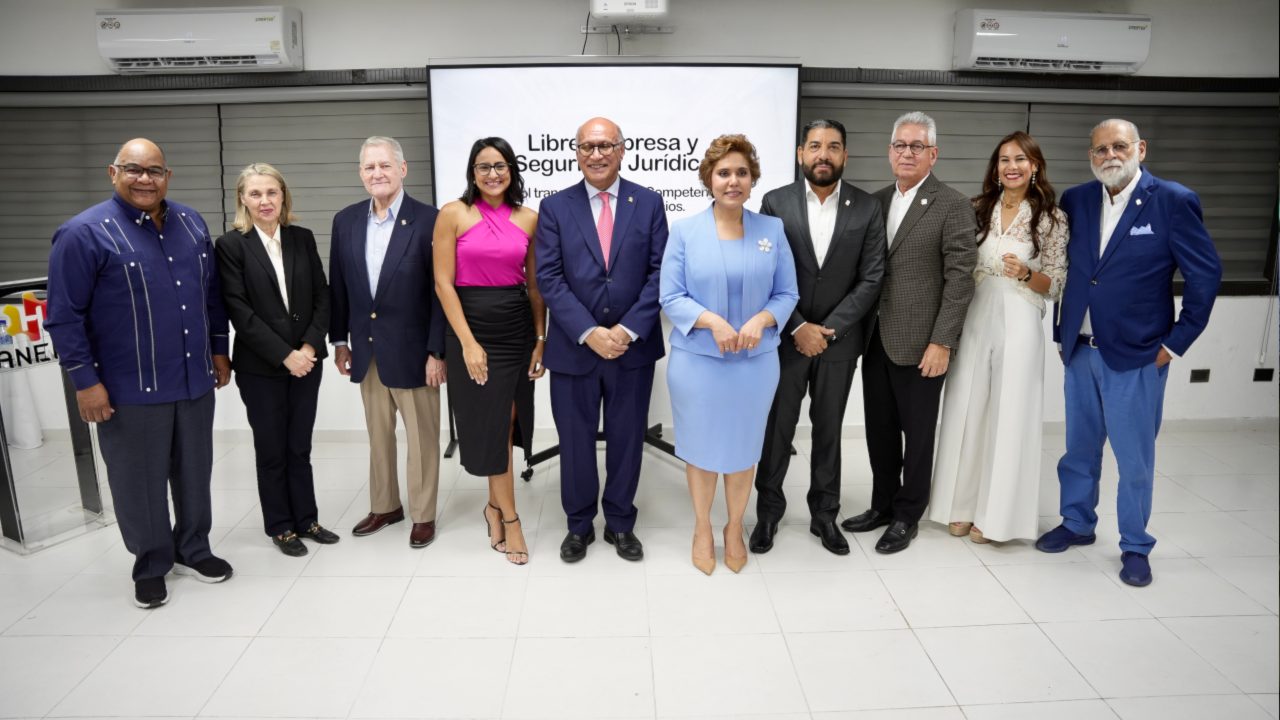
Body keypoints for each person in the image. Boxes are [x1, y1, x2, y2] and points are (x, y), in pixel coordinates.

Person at [46, 138, 234, 609]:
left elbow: (210, 294)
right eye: (133, 169)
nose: (144, 179)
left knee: (194, 472)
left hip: (193, 380)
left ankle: (194, 549)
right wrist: (85, 382)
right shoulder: (83, 234)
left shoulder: (191, 223)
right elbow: (64, 317)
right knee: (139, 481)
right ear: (114, 173)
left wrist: (218, 349)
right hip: (130, 389)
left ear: (167, 176)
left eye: (154, 170)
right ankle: (151, 563)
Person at [1038, 119, 1221, 587]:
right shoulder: (1077, 200)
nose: (1109, 156)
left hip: (1139, 354)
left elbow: (1205, 277)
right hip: (1079, 349)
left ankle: (1135, 545)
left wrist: (1174, 344)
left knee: (1134, 459)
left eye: (1119, 146)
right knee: (1078, 449)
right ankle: (1077, 523)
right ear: (1090, 156)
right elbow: (1073, 269)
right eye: (1099, 149)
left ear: (1140, 149)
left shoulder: (1173, 201)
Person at [660, 134, 799, 575]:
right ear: (709, 179)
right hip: (698, 364)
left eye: (741, 172)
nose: (733, 181)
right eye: (724, 173)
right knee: (700, 451)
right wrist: (712, 321)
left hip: (755, 366)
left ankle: (734, 526)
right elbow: (670, 296)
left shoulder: (771, 231)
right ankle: (702, 527)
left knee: (742, 451)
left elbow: (787, 292)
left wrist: (762, 319)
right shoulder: (683, 232)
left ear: (752, 179)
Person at [841, 112, 977, 555]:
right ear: (889, 151)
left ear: (933, 154)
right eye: (900, 145)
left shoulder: (952, 204)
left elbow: (960, 278)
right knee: (879, 429)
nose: (907, 153)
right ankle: (882, 504)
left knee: (917, 435)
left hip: (923, 344)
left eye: (917, 146)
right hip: (874, 338)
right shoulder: (874, 201)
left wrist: (943, 341)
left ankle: (907, 513)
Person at [535, 117, 668, 563]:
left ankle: (620, 523)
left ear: (621, 150)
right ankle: (578, 526)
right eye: (588, 146)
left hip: (632, 349)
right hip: (575, 349)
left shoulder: (648, 203)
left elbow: (660, 273)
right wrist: (590, 332)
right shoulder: (555, 207)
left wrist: (626, 330)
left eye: (605, 145)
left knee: (628, 438)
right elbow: (549, 278)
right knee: (574, 442)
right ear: (576, 152)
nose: (596, 154)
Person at [752, 119, 885, 556]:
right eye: (814, 146)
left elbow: (871, 277)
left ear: (845, 155)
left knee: (829, 431)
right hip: (787, 337)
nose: (823, 154)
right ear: (800, 154)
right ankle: (768, 512)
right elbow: (765, 274)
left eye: (833, 147)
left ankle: (824, 514)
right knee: (778, 428)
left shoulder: (866, 207)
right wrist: (798, 326)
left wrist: (829, 329)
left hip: (839, 341)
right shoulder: (775, 202)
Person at [929, 132, 1067, 544]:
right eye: (1004, 159)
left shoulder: (1052, 218)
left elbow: (1056, 284)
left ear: (1035, 165)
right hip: (975, 312)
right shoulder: (974, 209)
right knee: (966, 407)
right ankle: (960, 506)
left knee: (1010, 413)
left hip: (1021, 316)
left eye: (1020, 159)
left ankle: (997, 515)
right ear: (995, 167)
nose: (1011, 166)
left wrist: (1026, 273)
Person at [215, 163, 340, 557]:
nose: (265, 201)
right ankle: (281, 526)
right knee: (271, 449)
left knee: (299, 446)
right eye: (256, 194)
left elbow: (323, 296)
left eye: (272, 192)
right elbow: (239, 310)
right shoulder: (231, 245)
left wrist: (308, 348)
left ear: (283, 196)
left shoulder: (301, 239)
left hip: (306, 362)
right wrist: (284, 355)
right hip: (261, 368)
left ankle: (307, 519)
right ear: (243, 199)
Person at [329, 136, 446, 549]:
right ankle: (386, 506)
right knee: (379, 435)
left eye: (383, 165)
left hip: (416, 353)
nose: (376, 173)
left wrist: (437, 351)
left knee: (422, 438)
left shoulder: (431, 220)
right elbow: (339, 287)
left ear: (402, 169)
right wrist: (340, 341)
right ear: (361, 174)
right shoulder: (345, 221)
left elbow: (440, 291)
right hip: (367, 349)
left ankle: (423, 513)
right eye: (368, 167)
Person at [434, 138, 546, 565]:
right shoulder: (453, 214)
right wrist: (467, 343)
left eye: (500, 166)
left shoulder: (529, 218)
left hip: (516, 329)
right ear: (472, 172)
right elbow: (443, 283)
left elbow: (535, 287)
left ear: (512, 170)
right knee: (492, 428)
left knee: (508, 423)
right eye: (483, 167)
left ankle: (494, 507)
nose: (492, 174)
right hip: (472, 328)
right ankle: (511, 518)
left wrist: (540, 339)